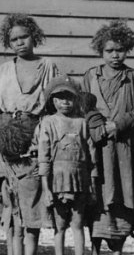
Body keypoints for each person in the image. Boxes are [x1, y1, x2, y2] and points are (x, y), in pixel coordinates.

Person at [0, 13, 58, 255]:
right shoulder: (5, 69)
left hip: (35, 135)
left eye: (24, 37)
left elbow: (54, 105)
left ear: (34, 36)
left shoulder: (48, 66)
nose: (19, 42)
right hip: (7, 136)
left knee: (31, 197)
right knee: (9, 197)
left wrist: (41, 137)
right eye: (13, 39)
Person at [82, 19, 134, 255]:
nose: (115, 56)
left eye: (119, 50)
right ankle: (95, 247)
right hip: (97, 148)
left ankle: (118, 247)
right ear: (101, 51)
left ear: (127, 50)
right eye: (109, 51)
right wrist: (97, 126)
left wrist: (119, 124)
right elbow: (84, 106)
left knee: (122, 193)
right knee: (96, 192)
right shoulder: (91, 76)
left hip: (123, 149)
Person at [37, 75, 92, 255]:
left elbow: (91, 156)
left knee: (78, 223)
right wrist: (46, 189)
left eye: (69, 98)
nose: (65, 102)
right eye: (60, 98)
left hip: (79, 179)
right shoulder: (49, 122)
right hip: (57, 180)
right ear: (53, 100)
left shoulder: (82, 123)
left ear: (76, 100)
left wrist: (91, 185)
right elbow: (43, 158)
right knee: (59, 225)